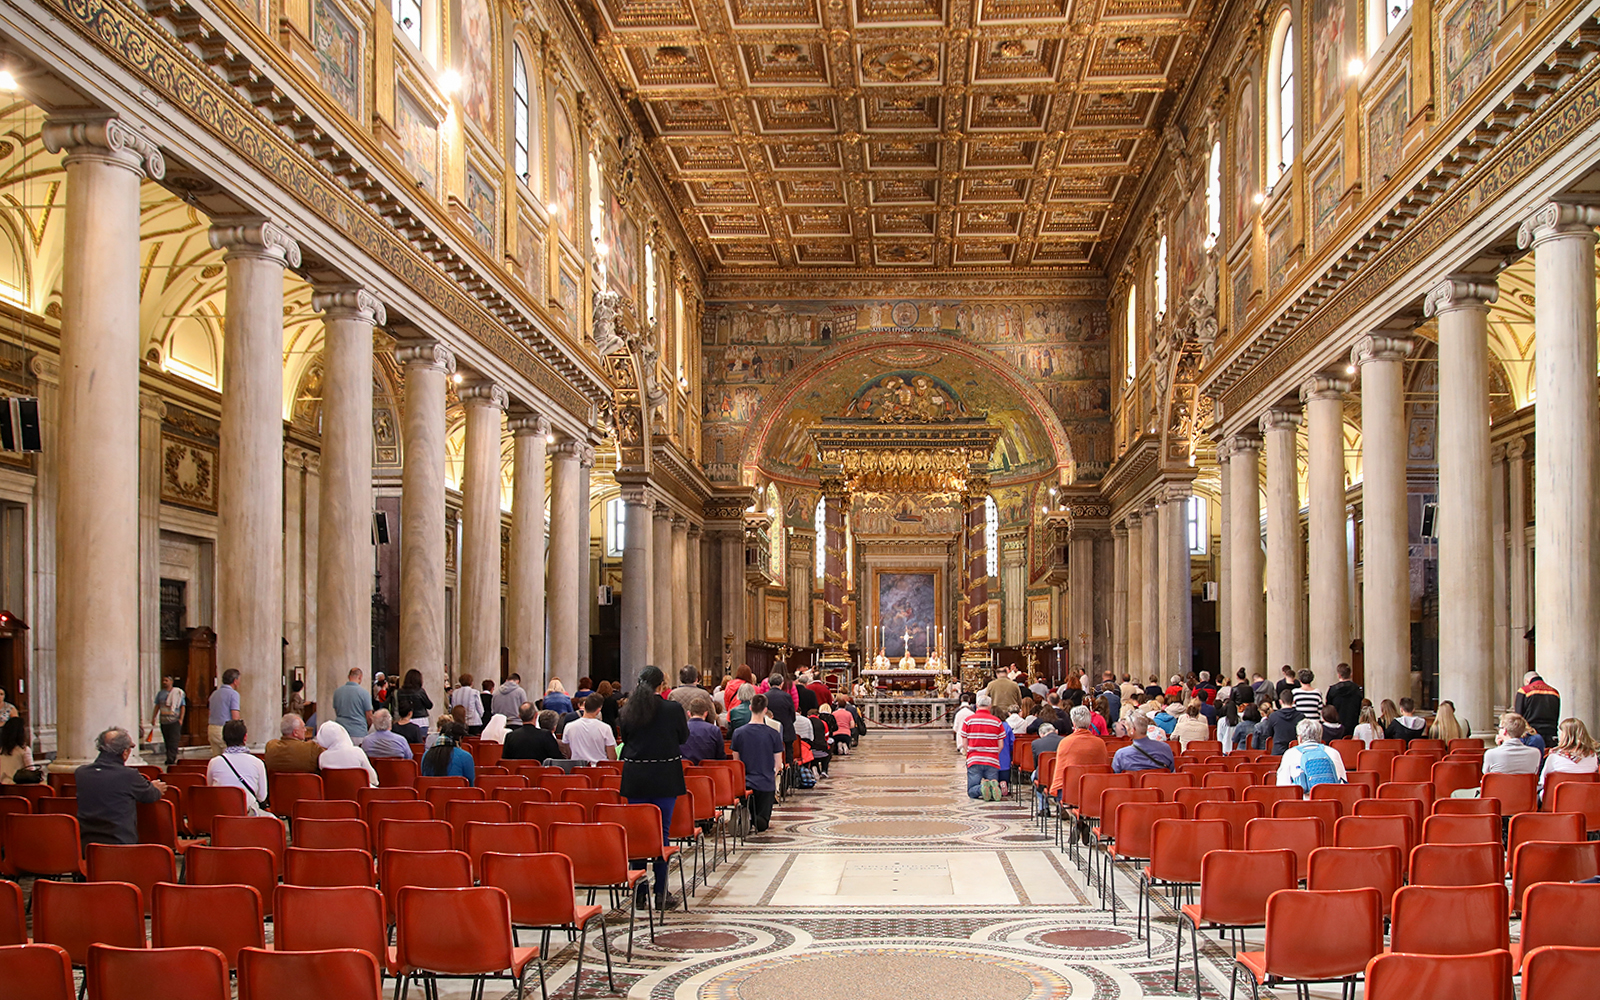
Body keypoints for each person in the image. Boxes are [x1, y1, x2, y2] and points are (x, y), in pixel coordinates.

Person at [618, 666, 689, 910]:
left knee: (638, 833)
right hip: (665, 775)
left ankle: (639, 892)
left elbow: (626, 739)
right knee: (662, 833)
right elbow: (683, 737)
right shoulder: (672, 709)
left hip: (636, 776)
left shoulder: (629, 709)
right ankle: (661, 893)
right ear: (662, 685)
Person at [76, 727, 166, 849]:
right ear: (125, 752)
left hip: (87, 845)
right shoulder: (129, 775)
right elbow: (150, 795)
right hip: (120, 843)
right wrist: (155, 787)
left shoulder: (81, 773)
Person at [731, 693, 784, 833]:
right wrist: (772, 776)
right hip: (765, 782)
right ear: (765, 710)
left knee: (755, 816)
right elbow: (778, 764)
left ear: (750, 708)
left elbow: (736, 762)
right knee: (762, 824)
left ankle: (746, 814)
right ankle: (754, 817)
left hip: (745, 782)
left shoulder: (738, 733)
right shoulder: (773, 734)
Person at [206, 719, 270, 816]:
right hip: (247, 813)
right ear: (245, 737)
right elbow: (261, 796)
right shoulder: (257, 763)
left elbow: (210, 788)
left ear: (224, 738)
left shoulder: (214, 762)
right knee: (275, 822)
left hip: (222, 814)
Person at [959, 693, 1009, 800]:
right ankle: (992, 787)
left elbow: (964, 743)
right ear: (990, 706)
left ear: (977, 705)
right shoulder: (997, 722)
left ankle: (982, 787)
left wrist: (969, 754)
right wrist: (994, 753)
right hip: (992, 759)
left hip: (974, 758)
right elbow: (1001, 745)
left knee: (971, 791)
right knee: (992, 792)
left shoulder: (968, 720)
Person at [1275, 718, 1348, 790]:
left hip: (1303, 800)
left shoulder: (1290, 754)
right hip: (1331, 799)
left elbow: (1282, 786)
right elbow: (1343, 782)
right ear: (1320, 736)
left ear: (1300, 738)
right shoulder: (1333, 752)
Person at [1539, 718, 1599, 798]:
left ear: (1564, 735)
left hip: (1555, 801)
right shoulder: (1593, 756)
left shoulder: (1554, 757)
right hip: (1585, 800)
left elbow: (1543, 782)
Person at [314, 720, 378, 786]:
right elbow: (373, 778)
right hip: (359, 793)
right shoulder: (357, 752)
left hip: (333, 794)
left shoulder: (323, 757)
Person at [1111, 713, 1175, 773]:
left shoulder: (1121, 754)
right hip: (1160, 784)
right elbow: (1171, 770)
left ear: (1133, 730)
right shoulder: (1165, 748)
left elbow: (1116, 777)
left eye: (1127, 727)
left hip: (1133, 784)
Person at [562, 694, 619, 762]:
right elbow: (612, 756)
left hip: (577, 768)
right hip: (599, 769)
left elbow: (566, 751)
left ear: (584, 704)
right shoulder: (605, 728)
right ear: (598, 710)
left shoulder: (569, 726)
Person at [1514, 672, 1562, 744]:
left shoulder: (1524, 691)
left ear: (1527, 681)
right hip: (1550, 733)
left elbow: (1518, 715)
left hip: (1531, 734)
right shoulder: (1554, 692)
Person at [151, 675, 186, 765]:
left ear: (171, 682)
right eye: (163, 680)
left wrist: (181, 719)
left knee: (173, 740)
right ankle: (168, 757)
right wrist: (154, 717)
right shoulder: (161, 693)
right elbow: (157, 706)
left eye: (166, 680)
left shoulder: (177, 693)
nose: (164, 682)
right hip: (164, 720)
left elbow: (182, 706)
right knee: (167, 740)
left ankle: (171, 758)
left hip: (174, 720)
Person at [681, 694, 726, 763]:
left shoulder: (680, 729)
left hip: (685, 770)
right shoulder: (714, 730)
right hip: (709, 770)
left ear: (689, 713)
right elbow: (720, 756)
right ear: (706, 713)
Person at [207, 668, 242, 756]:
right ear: (235, 680)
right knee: (229, 757)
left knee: (217, 757)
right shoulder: (233, 694)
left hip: (212, 728)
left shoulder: (214, 694)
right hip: (224, 729)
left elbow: (210, 712)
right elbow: (235, 716)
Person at [332, 667, 372, 740]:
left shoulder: (337, 692)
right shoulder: (364, 693)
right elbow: (369, 715)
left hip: (341, 730)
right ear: (360, 677)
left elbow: (337, 711)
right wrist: (367, 727)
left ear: (348, 677)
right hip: (358, 731)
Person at [1325, 663, 1363, 733]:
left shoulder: (1333, 690)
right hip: (1353, 724)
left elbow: (1329, 708)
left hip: (1336, 726)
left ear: (1339, 675)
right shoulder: (1357, 689)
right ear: (1351, 674)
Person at [1263, 691, 1302, 755]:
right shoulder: (1301, 716)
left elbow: (1269, 734)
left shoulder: (1273, 716)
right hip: (1295, 752)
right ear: (1293, 702)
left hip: (1278, 751)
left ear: (1280, 701)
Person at [0, 716, 34, 784]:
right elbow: (31, 770)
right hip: (19, 788)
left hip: (2, 788)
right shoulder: (24, 750)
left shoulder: (1, 750)